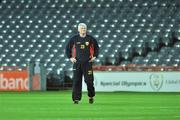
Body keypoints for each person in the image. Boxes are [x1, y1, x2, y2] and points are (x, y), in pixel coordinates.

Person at [65, 23, 99, 104]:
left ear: (86, 29)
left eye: (84, 28)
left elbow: (96, 48)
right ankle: (76, 99)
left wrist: (95, 56)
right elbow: (67, 49)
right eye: (82, 28)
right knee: (76, 81)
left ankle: (91, 96)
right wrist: (70, 57)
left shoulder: (90, 39)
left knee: (89, 81)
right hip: (77, 63)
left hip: (88, 63)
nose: (83, 29)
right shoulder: (74, 38)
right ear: (78, 29)